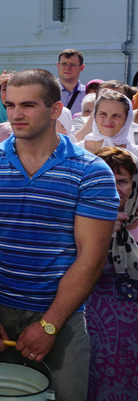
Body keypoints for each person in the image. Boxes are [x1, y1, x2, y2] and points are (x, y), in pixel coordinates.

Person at [0, 69, 119, 401]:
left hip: (62, 316)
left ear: (56, 109)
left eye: (28, 105)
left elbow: (91, 257)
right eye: (11, 105)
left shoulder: (91, 172)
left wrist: (50, 325)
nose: (16, 114)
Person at [85, 147, 138, 400]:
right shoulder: (79, 220)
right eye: (106, 179)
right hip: (92, 326)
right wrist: (101, 233)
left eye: (122, 181)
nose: (114, 188)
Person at [83, 90, 138, 156]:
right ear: (95, 116)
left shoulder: (135, 153)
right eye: (103, 114)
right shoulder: (76, 150)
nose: (108, 120)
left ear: (127, 120)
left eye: (116, 115)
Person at [57, 48, 86, 116]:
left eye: (72, 64)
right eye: (64, 64)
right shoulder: (47, 92)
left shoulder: (87, 94)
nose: (67, 68)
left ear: (81, 68)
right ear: (58, 66)